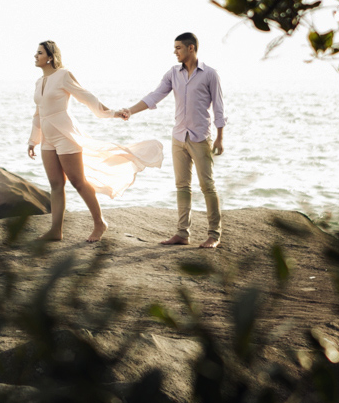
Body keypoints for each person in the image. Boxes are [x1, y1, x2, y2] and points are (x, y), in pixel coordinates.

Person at [28, 40, 162, 243]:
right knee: (55, 184)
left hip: (65, 135)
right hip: (47, 138)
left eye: (39, 53)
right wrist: (33, 140)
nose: (35, 56)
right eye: (36, 53)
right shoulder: (39, 82)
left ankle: (100, 223)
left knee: (78, 181)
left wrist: (113, 113)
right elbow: (38, 113)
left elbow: (87, 97)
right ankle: (56, 231)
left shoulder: (63, 75)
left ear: (50, 57)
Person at [117, 33, 225, 248]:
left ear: (191, 48)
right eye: (175, 48)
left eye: (178, 48)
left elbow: (219, 108)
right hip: (178, 137)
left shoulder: (210, 74)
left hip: (201, 137)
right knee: (182, 186)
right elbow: (154, 96)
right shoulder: (173, 73)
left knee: (207, 186)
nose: (175, 52)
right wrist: (131, 110)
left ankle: (214, 234)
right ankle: (182, 233)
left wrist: (220, 138)